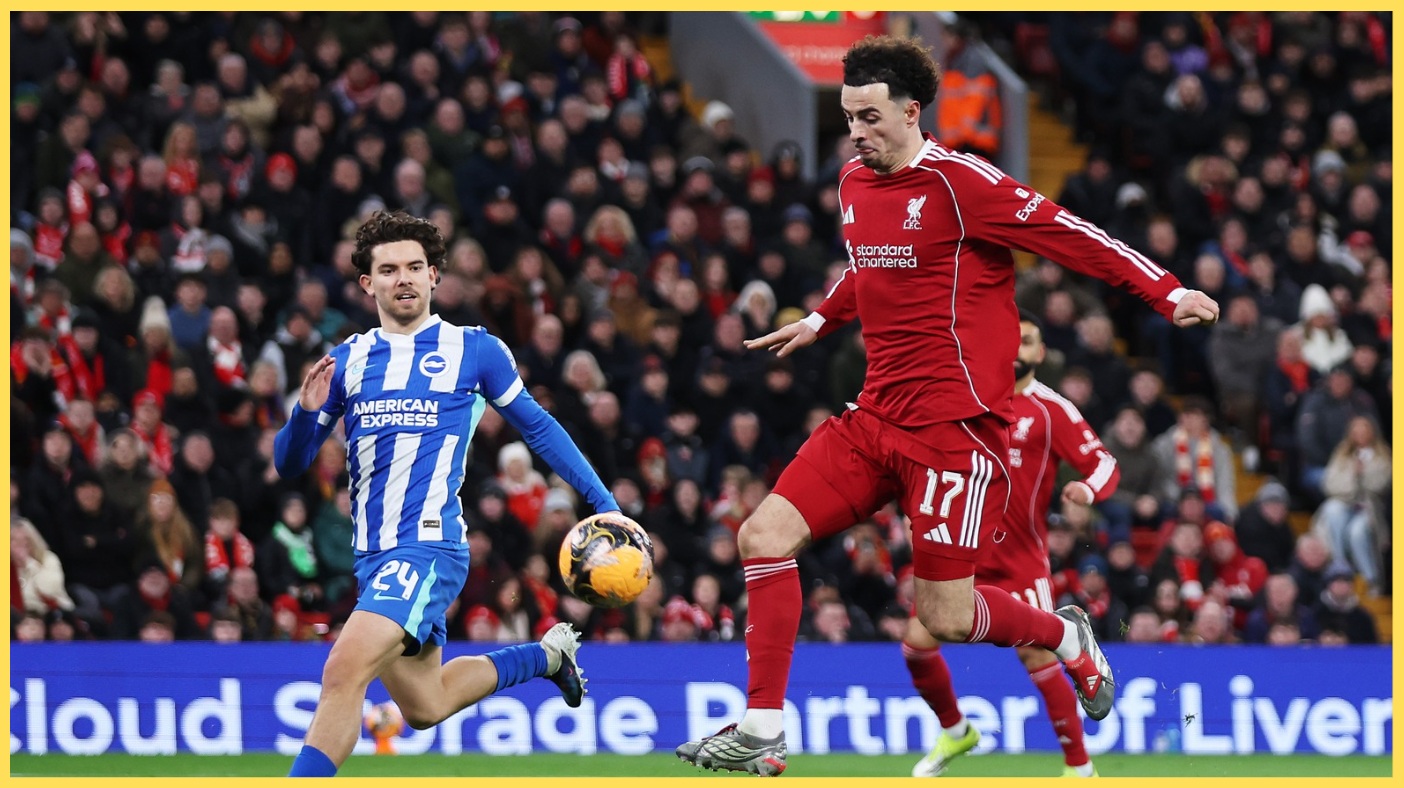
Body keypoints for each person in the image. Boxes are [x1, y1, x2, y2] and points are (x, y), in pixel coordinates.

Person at [677, 36, 1218, 776]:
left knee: (946, 618)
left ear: (911, 110)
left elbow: (1069, 236)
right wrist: (817, 319)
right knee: (763, 536)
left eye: (869, 117)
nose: (856, 132)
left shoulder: (965, 185)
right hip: (873, 420)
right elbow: (869, 268)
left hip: (955, 435)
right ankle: (763, 726)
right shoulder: (853, 185)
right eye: (847, 117)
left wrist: (1167, 290)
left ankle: (1067, 639)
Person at [274, 211, 620, 777]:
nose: (403, 278)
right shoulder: (348, 362)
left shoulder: (474, 351)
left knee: (342, 671)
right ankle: (548, 655)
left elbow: (537, 427)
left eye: (415, 267)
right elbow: (290, 464)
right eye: (389, 270)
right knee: (425, 705)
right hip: (374, 556)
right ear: (368, 283)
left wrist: (601, 502)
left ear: (434, 276)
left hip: (428, 548)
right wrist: (305, 413)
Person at [903, 313, 1117, 778]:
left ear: (1041, 353)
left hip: (1021, 561)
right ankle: (957, 731)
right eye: (1011, 338)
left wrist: (1088, 490)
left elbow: (1103, 462)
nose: (1017, 348)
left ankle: (1080, 769)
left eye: (1029, 342)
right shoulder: (968, 397)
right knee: (916, 646)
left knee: (1039, 654)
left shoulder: (1050, 408)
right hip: (964, 552)